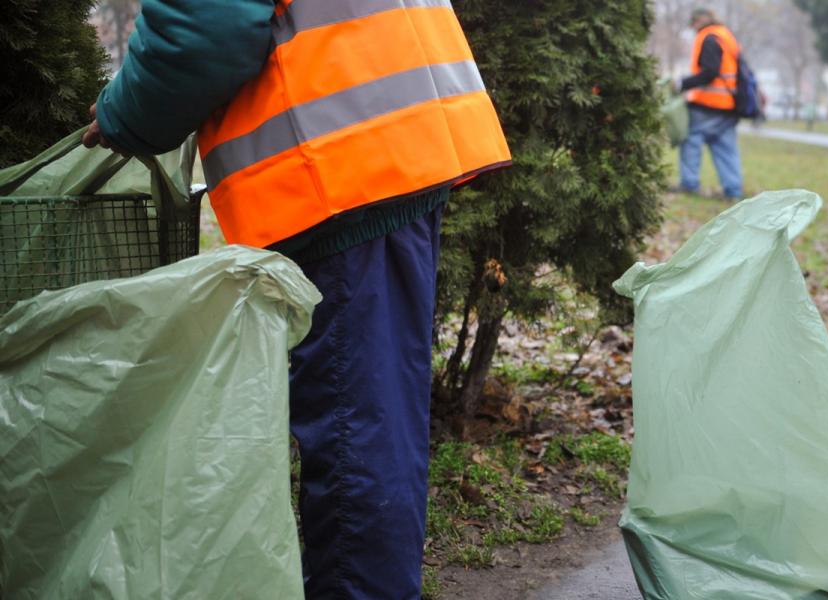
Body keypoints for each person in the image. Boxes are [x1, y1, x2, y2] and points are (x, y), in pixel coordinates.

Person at [82, 1, 511, 598]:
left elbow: (208, 25)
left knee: (357, 429)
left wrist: (124, 113)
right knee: (377, 420)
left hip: (342, 164)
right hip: (384, 139)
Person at [676, 8, 744, 201]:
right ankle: (733, 190)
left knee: (690, 140)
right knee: (725, 147)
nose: (693, 28)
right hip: (729, 104)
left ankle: (689, 183)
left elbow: (710, 72)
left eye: (693, 24)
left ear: (698, 21)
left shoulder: (709, 38)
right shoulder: (726, 35)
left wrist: (682, 84)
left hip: (708, 104)